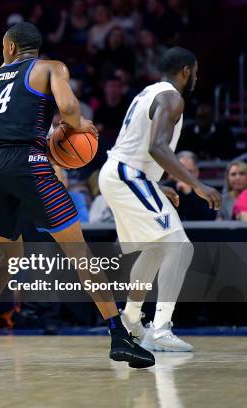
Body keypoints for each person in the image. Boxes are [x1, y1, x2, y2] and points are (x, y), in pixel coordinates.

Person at [0, 22, 154, 370]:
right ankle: (119, 336)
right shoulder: (50, 68)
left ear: (10, 47)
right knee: (79, 253)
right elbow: (69, 110)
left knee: (8, 259)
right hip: (28, 162)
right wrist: (81, 127)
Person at [98, 47, 221, 352]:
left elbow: (140, 145)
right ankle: (161, 329)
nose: (196, 77)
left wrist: (153, 184)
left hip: (121, 174)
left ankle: (129, 320)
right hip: (128, 175)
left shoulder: (148, 92)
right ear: (185, 71)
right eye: (196, 71)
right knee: (180, 246)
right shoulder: (172, 98)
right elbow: (157, 147)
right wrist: (196, 184)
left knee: (157, 247)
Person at [164, 151, 216, 221]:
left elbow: (208, 219)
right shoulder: (166, 189)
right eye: (180, 171)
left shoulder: (207, 190)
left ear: (196, 172)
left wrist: (189, 194)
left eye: (188, 171)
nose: (184, 176)